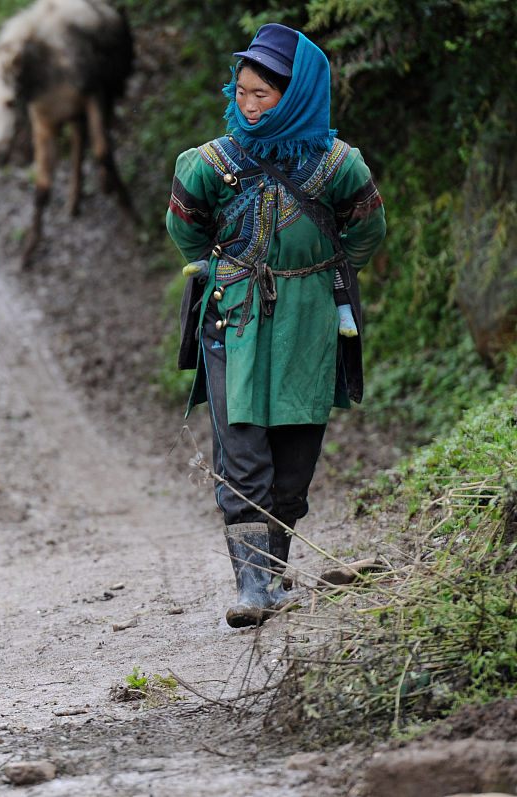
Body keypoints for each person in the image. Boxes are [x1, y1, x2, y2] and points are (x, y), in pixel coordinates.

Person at [166, 24, 387, 628]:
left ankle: (274, 573)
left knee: (295, 454)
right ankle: (252, 587)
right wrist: (227, 265)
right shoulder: (214, 163)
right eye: (241, 92)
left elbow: (367, 230)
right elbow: (185, 222)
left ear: (296, 96)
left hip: (310, 321)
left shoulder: (339, 166)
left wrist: (316, 274)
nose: (249, 105)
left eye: (263, 94)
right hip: (231, 315)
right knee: (241, 451)